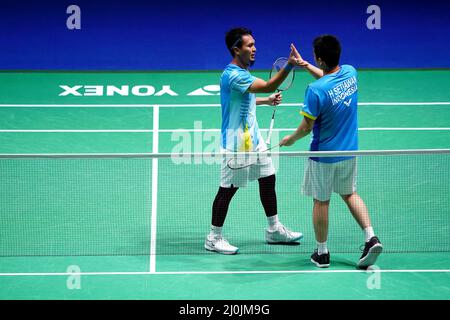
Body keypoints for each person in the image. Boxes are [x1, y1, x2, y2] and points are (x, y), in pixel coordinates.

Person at [280, 35, 383, 269]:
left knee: (321, 202)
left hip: (323, 156)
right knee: (350, 194)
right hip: (349, 152)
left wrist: (290, 139)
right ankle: (371, 237)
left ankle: (322, 253)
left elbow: (306, 127)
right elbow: (330, 81)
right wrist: (306, 64)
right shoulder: (350, 72)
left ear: (319, 58)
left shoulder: (314, 91)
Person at [205, 27, 303, 254]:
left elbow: (245, 100)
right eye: (249, 45)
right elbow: (268, 84)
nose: (254, 49)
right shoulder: (234, 75)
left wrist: (266, 100)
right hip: (237, 146)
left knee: (268, 180)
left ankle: (274, 229)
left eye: (254, 44)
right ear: (235, 49)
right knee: (227, 190)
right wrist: (289, 65)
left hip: (255, 141)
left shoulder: (241, 76)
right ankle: (213, 237)